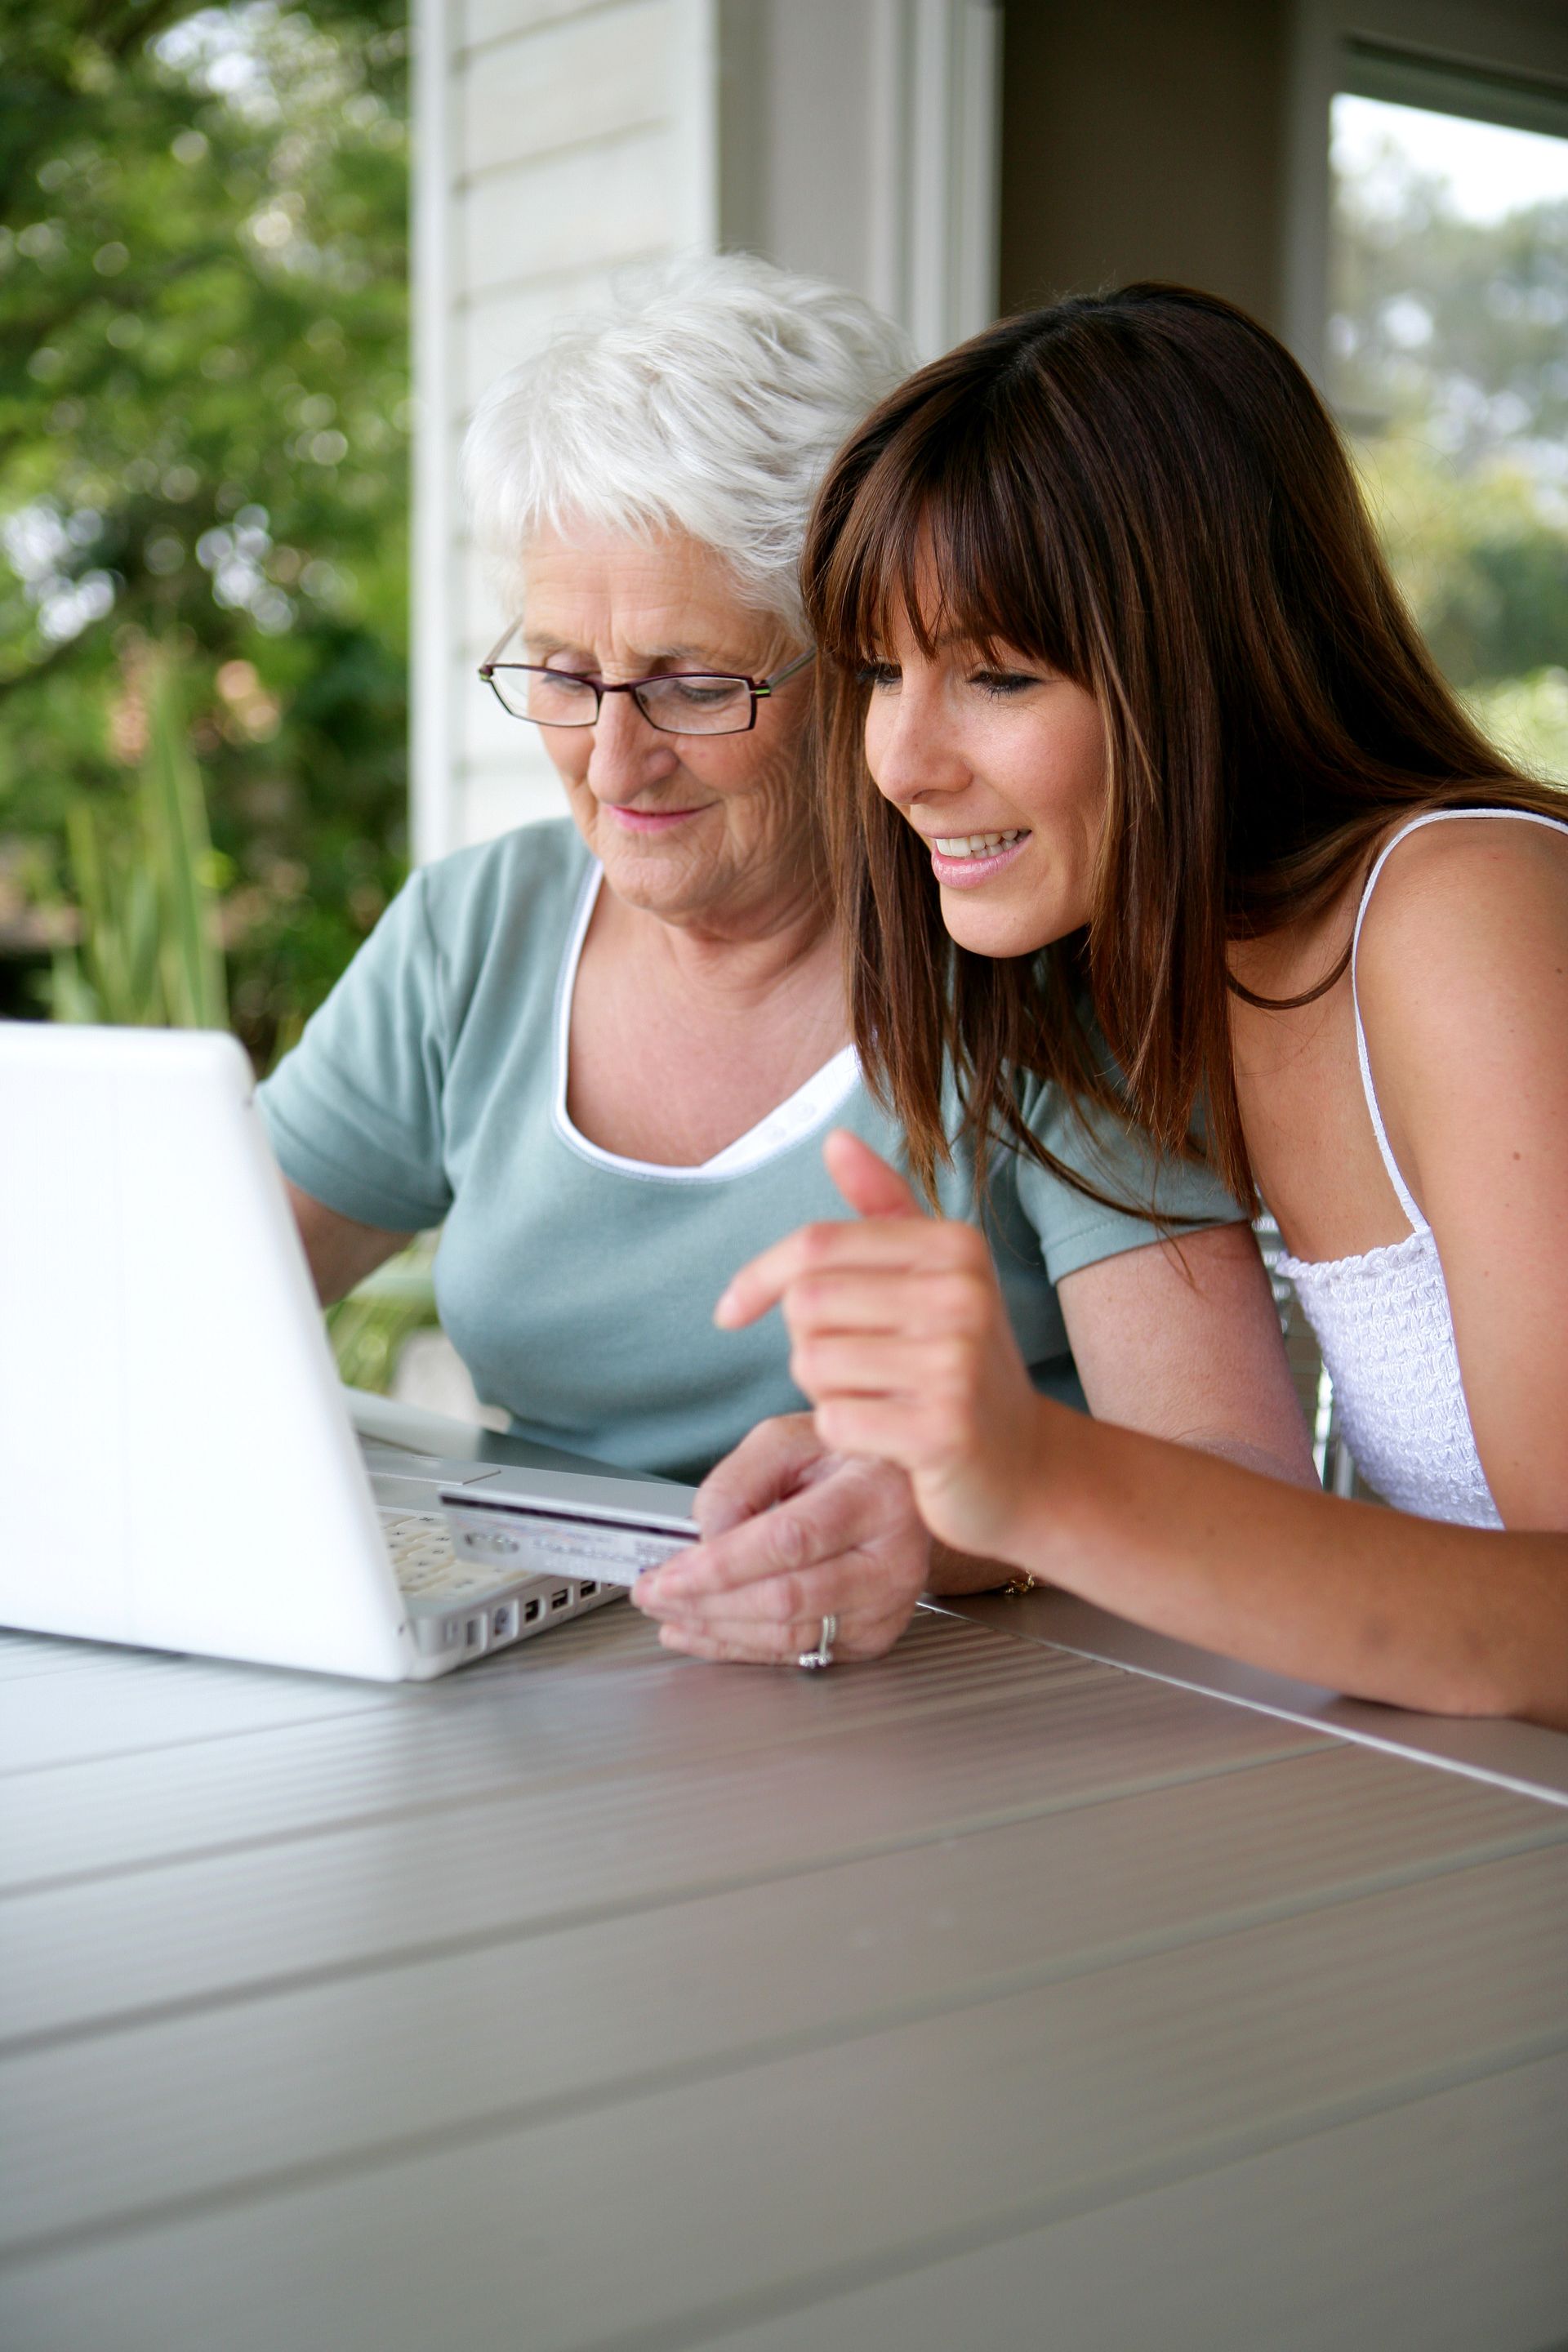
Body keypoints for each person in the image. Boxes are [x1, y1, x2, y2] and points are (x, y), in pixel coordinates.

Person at [258, 258, 1312, 1662]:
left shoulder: (1035, 963)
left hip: (961, 1697)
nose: (616, 759)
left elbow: (1236, 1470)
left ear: (861, 661)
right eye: (565, 674)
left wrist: (950, 1522)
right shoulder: (476, 934)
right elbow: (178, 1300)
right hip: (540, 1679)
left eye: (697, 684)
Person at [638, 283, 1568, 1722]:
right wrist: (940, 1501)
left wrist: (1034, 1469)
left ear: (1206, 662)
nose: (902, 761)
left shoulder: (1464, 908)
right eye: (884, 671)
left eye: (998, 675)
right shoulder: (1154, 975)